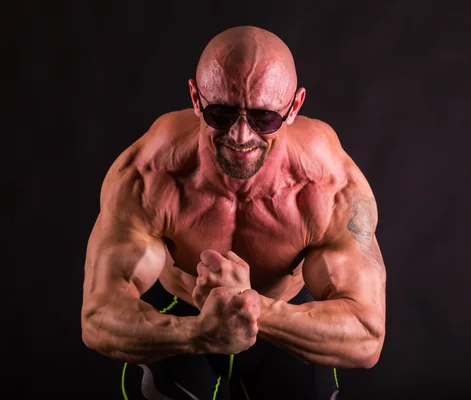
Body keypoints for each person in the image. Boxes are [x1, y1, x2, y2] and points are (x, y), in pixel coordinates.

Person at [81, 25, 386, 400]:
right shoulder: (148, 175)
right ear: (196, 98)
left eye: (264, 118)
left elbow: (366, 336)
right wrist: (197, 332)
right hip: (180, 316)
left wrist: (251, 306)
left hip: (286, 322)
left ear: (294, 107)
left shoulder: (329, 187)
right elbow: (97, 318)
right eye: (222, 114)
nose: (241, 136)